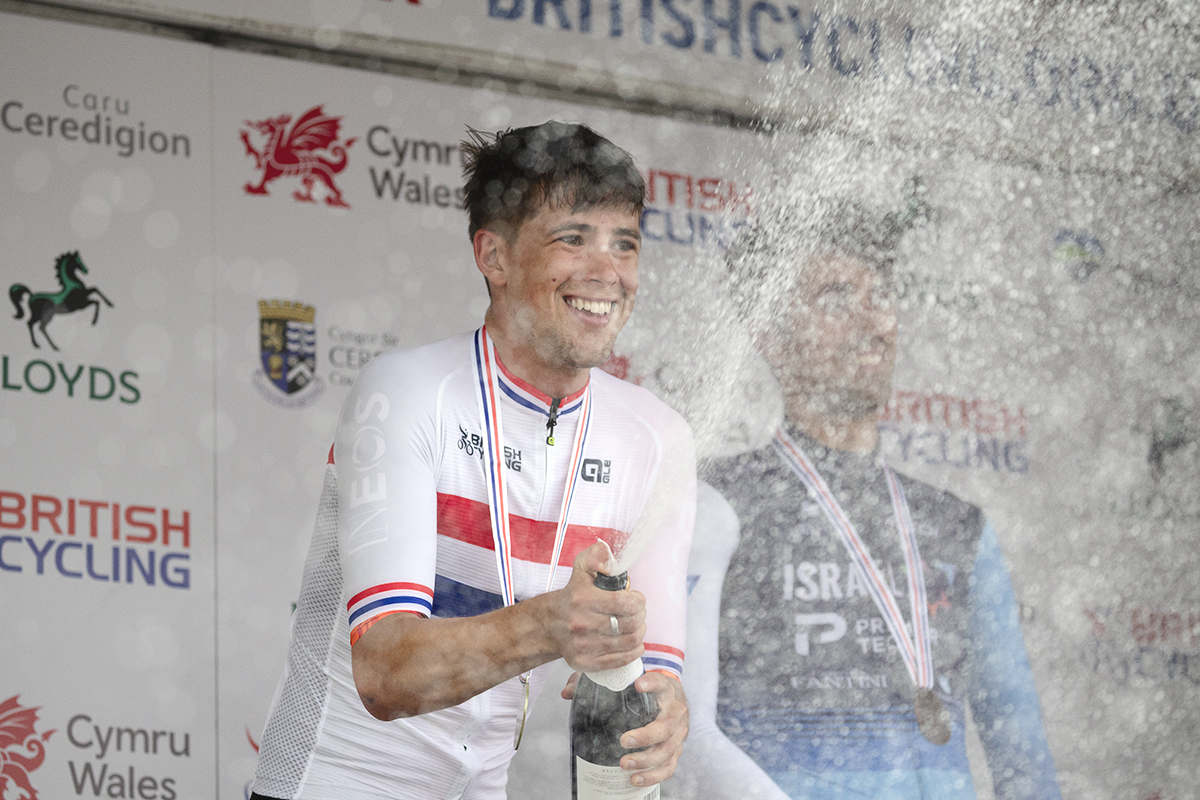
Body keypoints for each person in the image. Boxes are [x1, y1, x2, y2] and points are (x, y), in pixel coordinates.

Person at [250, 121, 695, 800]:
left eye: (624, 244)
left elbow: (653, 673)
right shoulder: (406, 393)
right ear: (495, 256)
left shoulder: (659, 438)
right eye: (573, 238)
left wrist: (666, 712)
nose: (607, 273)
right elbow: (387, 673)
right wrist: (554, 623)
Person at [672, 199, 1061, 799]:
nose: (872, 322)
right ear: (770, 338)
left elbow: (1024, 764)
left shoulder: (957, 526)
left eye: (881, 297)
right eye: (834, 300)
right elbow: (671, 736)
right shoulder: (717, 506)